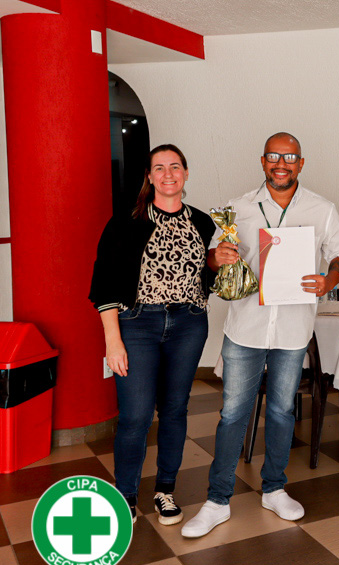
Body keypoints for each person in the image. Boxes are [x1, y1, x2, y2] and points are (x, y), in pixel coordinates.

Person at [181, 132, 339, 538]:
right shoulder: (238, 208)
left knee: (281, 411)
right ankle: (217, 500)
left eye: (290, 157)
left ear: (301, 163)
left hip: (293, 329)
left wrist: (329, 279)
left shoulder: (322, 209)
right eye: (274, 156)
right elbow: (212, 257)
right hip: (246, 327)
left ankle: (274, 488)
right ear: (262, 161)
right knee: (232, 414)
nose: (281, 164)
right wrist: (218, 256)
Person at [89, 144, 217, 525]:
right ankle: (126, 497)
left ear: (186, 173)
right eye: (159, 168)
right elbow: (104, 283)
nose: (168, 174)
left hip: (189, 322)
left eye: (175, 166)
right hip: (137, 323)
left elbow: (206, 276)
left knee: (175, 409)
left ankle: (165, 491)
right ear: (149, 176)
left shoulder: (204, 223)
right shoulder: (126, 222)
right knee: (136, 415)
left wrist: (222, 264)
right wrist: (113, 340)